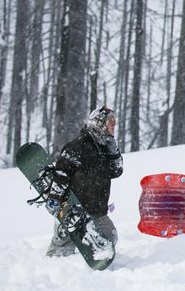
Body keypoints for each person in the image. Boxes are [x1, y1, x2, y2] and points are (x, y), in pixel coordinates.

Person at [46, 105, 123, 257]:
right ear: (99, 123)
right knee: (61, 248)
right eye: (110, 123)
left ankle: (92, 269)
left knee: (110, 236)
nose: (113, 127)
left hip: (97, 211)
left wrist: (113, 152)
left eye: (114, 123)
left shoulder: (105, 149)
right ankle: (51, 271)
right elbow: (61, 174)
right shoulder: (77, 146)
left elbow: (116, 171)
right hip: (73, 210)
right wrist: (54, 198)